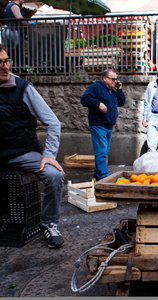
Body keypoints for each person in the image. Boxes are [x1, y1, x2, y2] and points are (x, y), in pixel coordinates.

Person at [0, 45, 65, 248]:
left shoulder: (22, 88)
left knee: (54, 175)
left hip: (22, 152)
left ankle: (49, 224)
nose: (5, 67)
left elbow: (53, 122)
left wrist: (49, 154)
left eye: (6, 61)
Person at [80, 69, 125, 181]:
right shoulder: (96, 87)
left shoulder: (112, 90)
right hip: (98, 123)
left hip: (108, 124)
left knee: (104, 150)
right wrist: (98, 104)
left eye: (116, 79)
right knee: (101, 150)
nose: (115, 81)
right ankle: (102, 175)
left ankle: (98, 172)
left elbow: (121, 102)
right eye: (113, 79)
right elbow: (84, 99)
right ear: (105, 78)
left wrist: (119, 90)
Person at [2, 0, 28, 70]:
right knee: (18, 52)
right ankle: (19, 69)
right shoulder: (14, 6)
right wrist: (27, 23)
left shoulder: (8, 6)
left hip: (8, 31)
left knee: (11, 52)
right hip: (14, 32)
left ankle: (13, 68)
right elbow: (19, 18)